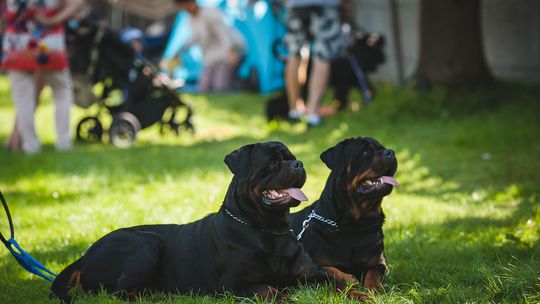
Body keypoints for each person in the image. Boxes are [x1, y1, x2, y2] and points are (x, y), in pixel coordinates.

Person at [1, 0, 85, 154]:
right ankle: (64, 143)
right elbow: (77, 3)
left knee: (23, 98)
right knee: (62, 91)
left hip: (17, 44)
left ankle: (31, 146)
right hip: (49, 44)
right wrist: (53, 20)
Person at [284, 0, 344, 127]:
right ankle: (312, 114)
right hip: (325, 5)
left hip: (296, 5)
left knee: (295, 54)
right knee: (322, 56)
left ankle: (294, 111)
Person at [169, 0, 245, 92]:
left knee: (220, 86)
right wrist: (177, 52)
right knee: (204, 86)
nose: (185, 10)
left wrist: (231, 52)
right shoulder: (192, 19)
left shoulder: (210, 13)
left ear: (192, 2)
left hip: (228, 52)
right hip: (211, 56)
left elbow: (224, 34)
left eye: (185, 6)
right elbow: (193, 38)